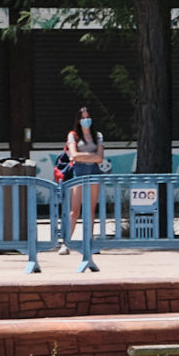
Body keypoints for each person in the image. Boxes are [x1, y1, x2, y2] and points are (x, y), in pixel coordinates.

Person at [58, 106, 104, 255]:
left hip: (94, 172)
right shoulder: (73, 135)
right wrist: (89, 156)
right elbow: (74, 155)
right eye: (83, 118)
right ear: (78, 120)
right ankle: (66, 243)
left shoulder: (97, 135)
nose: (86, 120)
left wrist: (82, 155)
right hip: (79, 172)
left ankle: (89, 242)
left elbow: (100, 158)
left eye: (88, 117)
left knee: (90, 210)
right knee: (74, 210)